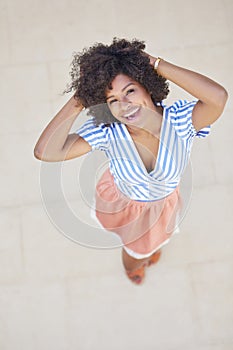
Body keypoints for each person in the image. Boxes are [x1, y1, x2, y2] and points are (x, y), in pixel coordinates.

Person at [34, 38, 228, 285]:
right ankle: (133, 268)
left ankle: (149, 248)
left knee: (150, 241)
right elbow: (45, 151)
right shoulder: (108, 131)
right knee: (135, 253)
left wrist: (156, 63)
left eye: (130, 91)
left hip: (160, 205)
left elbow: (218, 97)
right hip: (122, 201)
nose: (124, 105)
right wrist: (80, 96)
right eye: (113, 100)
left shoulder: (180, 121)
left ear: (147, 85)